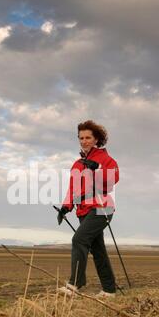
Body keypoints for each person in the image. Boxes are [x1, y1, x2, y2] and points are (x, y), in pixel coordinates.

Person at [57, 120, 119, 298]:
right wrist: (65, 207)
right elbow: (73, 189)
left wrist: (98, 168)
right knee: (98, 249)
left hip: (102, 208)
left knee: (79, 239)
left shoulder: (106, 160)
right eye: (81, 138)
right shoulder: (77, 164)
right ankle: (109, 290)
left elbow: (112, 180)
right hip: (83, 210)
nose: (84, 141)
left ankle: (75, 284)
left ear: (96, 139)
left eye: (88, 137)